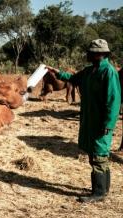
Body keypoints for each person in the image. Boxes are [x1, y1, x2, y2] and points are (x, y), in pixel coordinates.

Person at [46, 39, 121, 203]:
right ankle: (104, 188)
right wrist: (56, 72)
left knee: (99, 154)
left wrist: (108, 123)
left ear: (100, 54)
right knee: (96, 153)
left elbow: (113, 100)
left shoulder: (108, 72)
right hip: (90, 120)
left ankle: (99, 193)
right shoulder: (89, 71)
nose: (88, 54)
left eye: (91, 52)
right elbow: (72, 78)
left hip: (101, 122)